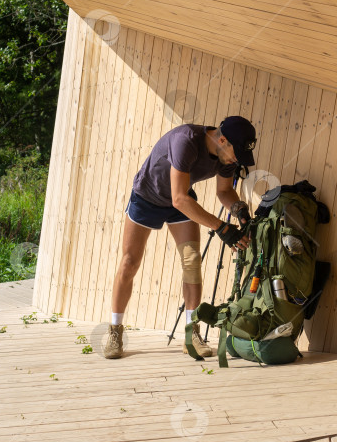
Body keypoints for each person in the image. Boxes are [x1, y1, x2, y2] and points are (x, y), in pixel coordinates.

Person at [104, 115, 257, 359]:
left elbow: (225, 191)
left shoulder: (226, 156)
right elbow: (179, 198)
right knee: (129, 263)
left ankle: (191, 334)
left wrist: (238, 210)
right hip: (147, 197)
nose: (235, 160)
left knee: (191, 261)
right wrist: (221, 228)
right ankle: (114, 331)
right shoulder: (185, 140)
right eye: (235, 153)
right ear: (223, 139)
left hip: (181, 201)